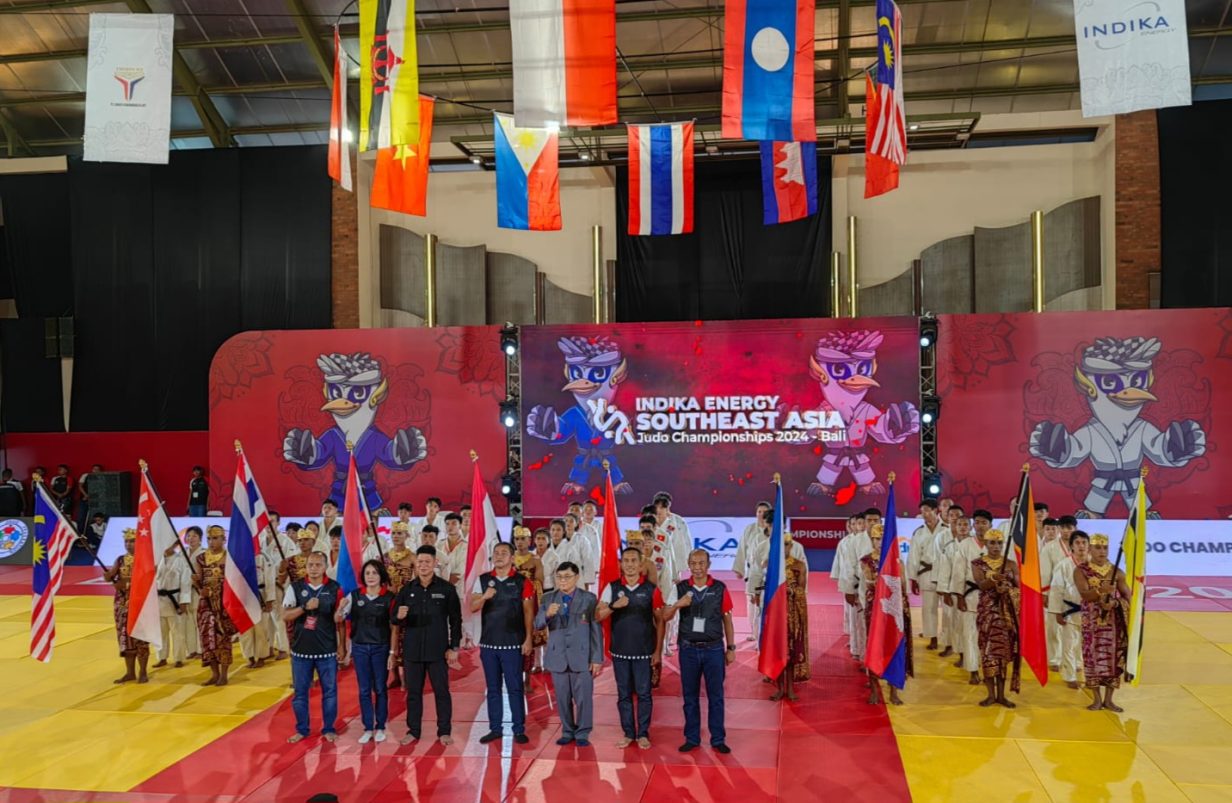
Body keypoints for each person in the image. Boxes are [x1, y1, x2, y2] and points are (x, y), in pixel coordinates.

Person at [658, 549, 735, 755]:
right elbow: (664, 616)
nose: (697, 567)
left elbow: (727, 619)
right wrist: (678, 604)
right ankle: (692, 738)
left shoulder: (719, 587)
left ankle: (718, 739)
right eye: (693, 563)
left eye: (701, 563)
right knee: (690, 696)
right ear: (688, 564)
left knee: (716, 696)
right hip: (688, 650)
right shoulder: (680, 588)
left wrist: (731, 648)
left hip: (714, 649)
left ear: (708, 565)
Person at [394, 545, 463, 745]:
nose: (423, 565)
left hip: (438, 651)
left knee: (442, 692)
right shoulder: (407, 590)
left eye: (427, 562)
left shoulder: (446, 589)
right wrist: (398, 616)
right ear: (415, 564)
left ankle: (444, 731)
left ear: (435, 563)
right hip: (412, 651)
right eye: (420, 562)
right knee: (413, 694)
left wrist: (454, 647)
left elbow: (456, 620)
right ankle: (413, 731)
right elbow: (394, 619)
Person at [597, 546, 664, 749]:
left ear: (641, 564)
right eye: (626, 561)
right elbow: (597, 616)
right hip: (620, 651)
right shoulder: (612, 588)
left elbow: (660, 621)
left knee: (644, 694)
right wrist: (613, 606)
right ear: (621, 564)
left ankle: (643, 733)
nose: (630, 565)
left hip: (644, 651)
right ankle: (628, 733)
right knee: (623, 694)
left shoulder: (651, 589)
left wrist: (658, 651)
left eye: (634, 560)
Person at [472, 541, 535, 744]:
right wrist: (484, 597)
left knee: (515, 688)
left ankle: (519, 729)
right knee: (492, 688)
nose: (499, 556)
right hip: (489, 643)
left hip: (513, 643)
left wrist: (528, 638)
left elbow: (528, 612)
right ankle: (495, 728)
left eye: (503, 553)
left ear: (512, 557)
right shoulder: (483, 580)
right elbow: (472, 606)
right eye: (496, 552)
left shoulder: (522, 581)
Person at [536, 561, 603, 747]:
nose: (562, 580)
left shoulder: (589, 598)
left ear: (577, 577)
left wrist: (597, 658)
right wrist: (547, 615)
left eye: (567, 577)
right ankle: (567, 730)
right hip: (558, 656)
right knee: (562, 698)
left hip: (582, 656)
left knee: (584, 698)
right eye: (559, 577)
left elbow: (596, 630)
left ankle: (583, 732)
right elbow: (538, 624)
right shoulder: (548, 598)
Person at [282, 551, 345, 743]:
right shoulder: (295, 587)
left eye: (318, 565)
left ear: (325, 567)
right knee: (300, 693)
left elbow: (340, 621)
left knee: (330, 692)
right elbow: (285, 615)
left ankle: (329, 728)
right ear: (306, 566)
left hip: (327, 650)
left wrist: (342, 645)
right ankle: (302, 729)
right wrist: (304, 608)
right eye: (310, 564)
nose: (314, 568)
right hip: (301, 650)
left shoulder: (335, 588)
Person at [338, 559, 395, 743]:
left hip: (381, 648)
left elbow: (394, 626)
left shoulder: (389, 597)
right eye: (367, 573)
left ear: (381, 576)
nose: (371, 576)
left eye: (374, 573)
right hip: (360, 648)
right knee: (364, 690)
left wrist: (393, 652)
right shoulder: (354, 596)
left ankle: (381, 726)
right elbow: (338, 619)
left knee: (380, 688)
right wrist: (340, 608)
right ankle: (368, 727)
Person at [1075, 533, 1131, 712]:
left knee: (1112, 659)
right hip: (1091, 623)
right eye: (1097, 547)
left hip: (1113, 625)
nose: (1102, 551)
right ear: (1090, 549)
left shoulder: (1116, 572)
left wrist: (1115, 604)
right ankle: (1096, 699)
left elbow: (1128, 597)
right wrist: (1101, 590)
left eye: (1105, 548)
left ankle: (1109, 699)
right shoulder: (1081, 571)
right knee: (1092, 657)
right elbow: (1085, 595)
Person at [859, 523, 913, 705]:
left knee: (894, 645)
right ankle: (874, 688)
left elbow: (903, 585)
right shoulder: (866, 560)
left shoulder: (897, 561)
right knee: (874, 645)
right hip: (876, 608)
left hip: (895, 609)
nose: (881, 542)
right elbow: (870, 583)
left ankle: (894, 690)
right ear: (872, 540)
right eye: (877, 539)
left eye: (884, 539)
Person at [972, 529, 1020, 708]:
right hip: (988, 614)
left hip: (1005, 615)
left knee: (1003, 654)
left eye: (999, 543)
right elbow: (981, 584)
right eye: (992, 543)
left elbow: (1018, 588)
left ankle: (1001, 695)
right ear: (985, 544)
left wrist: (1007, 588)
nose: (996, 546)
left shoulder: (1011, 564)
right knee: (988, 653)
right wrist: (994, 580)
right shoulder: (978, 563)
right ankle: (990, 694)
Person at [103, 529, 150, 684]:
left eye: (132, 541)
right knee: (125, 638)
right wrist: (108, 576)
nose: (129, 544)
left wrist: (126, 585)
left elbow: (148, 581)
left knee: (141, 639)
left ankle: (143, 672)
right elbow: (111, 575)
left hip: (139, 604)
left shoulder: (145, 559)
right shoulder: (120, 560)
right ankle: (130, 672)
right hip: (122, 604)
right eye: (126, 541)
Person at [194, 525, 238, 687]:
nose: (211, 542)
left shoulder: (230, 558)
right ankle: (214, 673)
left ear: (223, 539)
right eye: (209, 539)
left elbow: (235, 581)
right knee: (207, 637)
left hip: (224, 603)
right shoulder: (200, 558)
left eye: (215, 538)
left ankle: (224, 674)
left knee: (223, 638)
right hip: (206, 604)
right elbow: (199, 582)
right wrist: (198, 586)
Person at [943, 511, 983, 685]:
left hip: (991, 598)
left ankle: (988, 668)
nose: (981, 526)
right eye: (978, 522)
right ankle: (973, 669)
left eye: (984, 523)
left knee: (989, 636)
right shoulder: (965, 545)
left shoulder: (996, 544)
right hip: (970, 594)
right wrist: (957, 595)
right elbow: (958, 572)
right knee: (969, 633)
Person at [1048, 530, 1089, 689]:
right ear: (1071, 546)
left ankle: (1080, 665)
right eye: (1077, 543)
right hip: (1069, 610)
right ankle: (1070, 676)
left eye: (1084, 542)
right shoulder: (1064, 565)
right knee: (1069, 644)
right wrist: (1057, 612)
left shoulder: (1093, 564)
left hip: (1089, 610)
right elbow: (1056, 589)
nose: (1081, 546)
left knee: (1085, 643)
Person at [907, 499, 949, 651]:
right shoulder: (919, 532)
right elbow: (913, 556)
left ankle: (948, 640)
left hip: (944, 573)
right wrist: (913, 578)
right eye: (922, 511)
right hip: (926, 573)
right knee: (928, 608)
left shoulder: (947, 530)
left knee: (947, 609)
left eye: (927, 510)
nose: (924, 514)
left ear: (935, 511)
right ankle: (932, 637)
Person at [732, 501, 771, 643]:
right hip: (752, 569)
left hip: (769, 571)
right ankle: (754, 632)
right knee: (752, 602)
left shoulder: (773, 530)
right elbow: (742, 548)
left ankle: (766, 631)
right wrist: (739, 568)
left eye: (764, 512)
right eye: (759, 511)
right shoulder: (749, 529)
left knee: (766, 601)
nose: (761, 514)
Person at [512, 526, 546, 675]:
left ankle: (535, 664)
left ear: (529, 541)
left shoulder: (535, 559)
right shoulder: (510, 557)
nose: (519, 542)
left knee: (531, 630)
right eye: (517, 539)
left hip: (529, 599)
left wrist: (524, 580)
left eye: (523, 539)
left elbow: (539, 581)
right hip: (512, 599)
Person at [154, 541, 192, 669]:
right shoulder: (157, 559)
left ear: (175, 545)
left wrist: (184, 601)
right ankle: (161, 657)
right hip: (159, 600)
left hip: (175, 600)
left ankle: (179, 658)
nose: (166, 546)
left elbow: (185, 583)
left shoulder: (181, 560)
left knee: (178, 632)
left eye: (169, 543)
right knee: (160, 632)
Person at [1038, 516, 1068, 671]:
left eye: (1070, 528)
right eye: (1064, 527)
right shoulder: (1048, 548)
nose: (1067, 531)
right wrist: (1044, 593)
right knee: (1053, 628)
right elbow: (1045, 572)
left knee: (1073, 627)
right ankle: (1054, 659)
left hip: (1074, 592)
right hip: (1054, 592)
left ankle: (1072, 659)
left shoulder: (1079, 545)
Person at [184, 526, 204, 658]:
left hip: (197, 591)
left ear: (200, 539)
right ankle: (191, 650)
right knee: (188, 622)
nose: (191, 538)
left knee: (199, 620)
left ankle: (201, 650)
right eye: (189, 536)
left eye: (194, 536)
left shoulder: (204, 554)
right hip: (185, 592)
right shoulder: (182, 554)